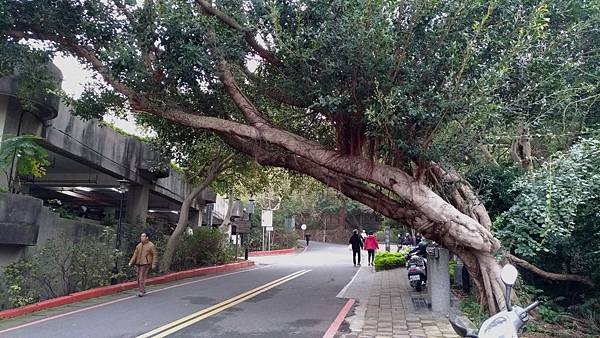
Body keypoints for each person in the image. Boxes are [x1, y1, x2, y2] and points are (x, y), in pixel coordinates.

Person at [128, 232, 158, 297]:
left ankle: (141, 291)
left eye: (143, 236)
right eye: (141, 236)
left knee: (141, 277)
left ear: (147, 237)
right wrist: (131, 262)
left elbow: (154, 255)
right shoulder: (139, 245)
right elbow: (135, 254)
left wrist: (153, 264)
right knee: (138, 277)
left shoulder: (151, 245)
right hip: (138, 263)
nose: (142, 238)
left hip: (145, 263)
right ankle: (142, 290)